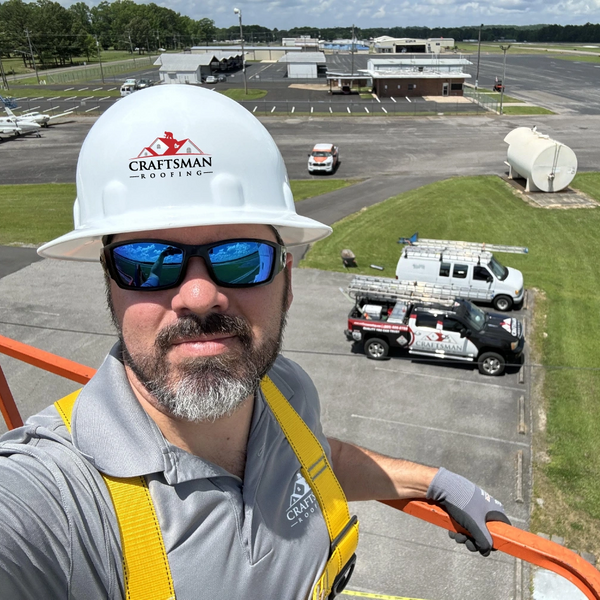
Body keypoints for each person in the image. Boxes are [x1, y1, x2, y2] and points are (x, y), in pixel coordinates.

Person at [0, 85, 509, 600]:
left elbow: (310, 460)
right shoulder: (55, 502)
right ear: (111, 285)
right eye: (146, 261)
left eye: (241, 257)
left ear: (287, 283)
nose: (198, 296)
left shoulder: (284, 388)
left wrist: (434, 482)